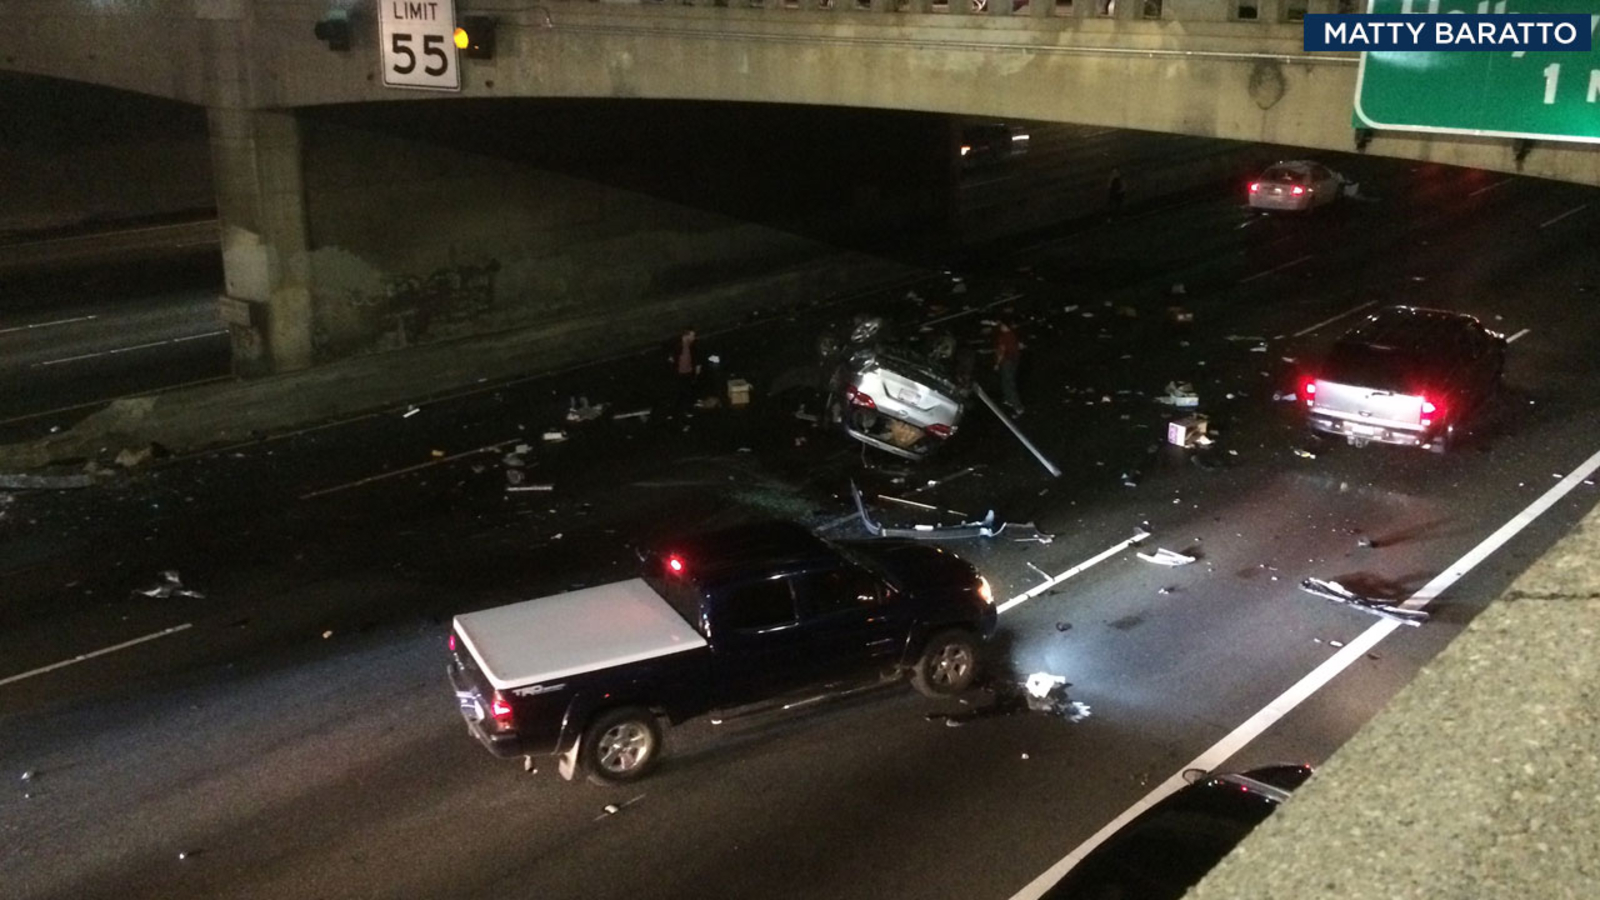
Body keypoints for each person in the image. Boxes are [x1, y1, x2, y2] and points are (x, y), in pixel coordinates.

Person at [663, 327, 703, 421]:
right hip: (678, 373)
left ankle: (687, 409)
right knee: (677, 393)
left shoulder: (692, 345)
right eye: (692, 335)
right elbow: (667, 350)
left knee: (687, 392)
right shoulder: (677, 345)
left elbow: (696, 355)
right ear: (686, 335)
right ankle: (673, 412)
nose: (694, 337)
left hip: (688, 372)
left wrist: (697, 365)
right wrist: (670, 358)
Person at [993, 320, 1024, 416]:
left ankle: (1017, 405)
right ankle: (1008, 400)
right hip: (1014, 360)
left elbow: (1002, 350)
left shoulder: (1003, 337)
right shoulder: (1013, 335)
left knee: (1008, 381)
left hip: (1007, 361)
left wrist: (997, 363)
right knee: (1007, 380)